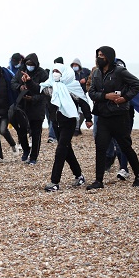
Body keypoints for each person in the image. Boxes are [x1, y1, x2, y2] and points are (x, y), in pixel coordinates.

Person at [87, 46, 139, 190]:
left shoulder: (120, 71)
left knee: (125, 146)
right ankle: (98, 181)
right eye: (97, 55)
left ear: (108, 56)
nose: (98, 58)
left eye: (101, 55)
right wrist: (105, 96)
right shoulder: (96, 73)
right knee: (100, 148)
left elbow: (137, 84)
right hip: (103, 116)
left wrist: (125, 98)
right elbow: (92, 92)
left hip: (119, 116)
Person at [41, 64, 93, 192]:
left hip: (69, 122)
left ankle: (54, 182)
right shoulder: (49, 86)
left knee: (60, 150)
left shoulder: (72, 86)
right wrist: (29, 81)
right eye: (53, 71)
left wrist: (88, 118)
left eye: (57, 71)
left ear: (64, 73)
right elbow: (37, 90)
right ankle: (79, 176)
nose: (55, 73)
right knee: (67, 150)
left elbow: (83, 102)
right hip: (56, 122)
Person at [11, 53, 50, 165]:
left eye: (31, 64)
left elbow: (45, 92)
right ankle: (25, 150)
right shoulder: (21, 71)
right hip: (23, 106)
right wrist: (20, 87)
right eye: (27, 63)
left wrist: (33, 98)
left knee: (36, 133)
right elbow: (13, 82)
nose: (29, 65)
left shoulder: (42, 73)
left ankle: (33, 157)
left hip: (37, 107)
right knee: (21, 130)